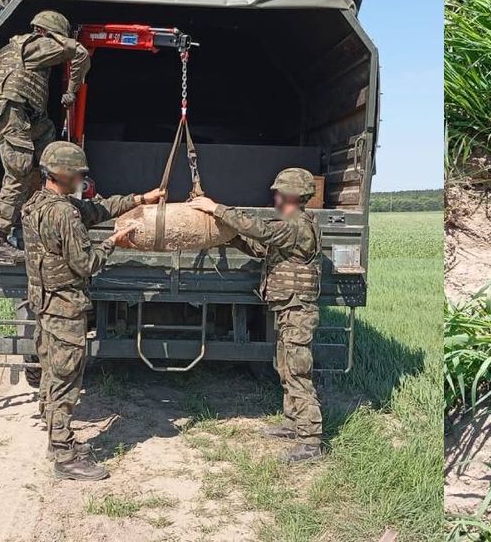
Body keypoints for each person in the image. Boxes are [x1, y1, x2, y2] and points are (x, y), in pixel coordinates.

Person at [22, 141, 165, 480]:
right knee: (65, 379)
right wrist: (113, 243)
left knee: (50, 371)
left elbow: (97, 210)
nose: (83, 180)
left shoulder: (37, 204)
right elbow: (85, 264)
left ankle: (56, 439)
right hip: (65, 306)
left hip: (44, 303)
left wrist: (139, 199)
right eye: (80, 174)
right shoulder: (64, 214)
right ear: (66, 174)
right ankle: (64, 455)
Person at [188, 168, 323, 463]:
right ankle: (292, 424)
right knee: (286, 367)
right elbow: (260, 247)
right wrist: (228, 237)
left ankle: (310, 442)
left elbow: (261, 231)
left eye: (277, 192)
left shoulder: (296, 224)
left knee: (298, 372)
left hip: (297, 310)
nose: (273, 196)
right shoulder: (291, 226)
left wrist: (216, 208)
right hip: (289, 308)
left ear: (289, 195)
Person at [0, 10, 92, 264]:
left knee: (47, 145)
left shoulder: (12, 47)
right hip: (12, 112)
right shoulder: (37, 45)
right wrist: (72, 91)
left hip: (20, 113)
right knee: (19, 170)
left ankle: (38, 209)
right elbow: (81, 53)